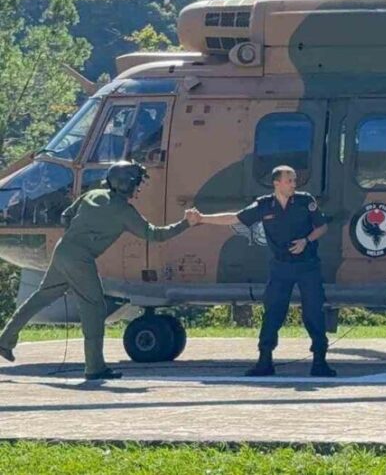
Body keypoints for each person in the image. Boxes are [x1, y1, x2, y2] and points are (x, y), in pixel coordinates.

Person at [0, 161, 196, 380]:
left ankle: (5, 340)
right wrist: (186, 223)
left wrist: (81, 234)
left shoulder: (92, 195)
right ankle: (94, 367)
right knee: (94, 309)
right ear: (126, 184)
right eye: (137, 184)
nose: (138, 189)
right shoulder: (124, 211)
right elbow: (155, 235)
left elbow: (66, 216)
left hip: (63, 250)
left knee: (41, 297)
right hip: (80, 259)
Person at [194, 165, 334, 377]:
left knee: (313, 311)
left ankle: (319, 362)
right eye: (290, 181)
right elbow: (235, 218)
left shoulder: (306, 202)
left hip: (308, 266)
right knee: (273, 312)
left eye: (295, 181)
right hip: (281, 267)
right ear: (276, 183)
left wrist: (306, 241)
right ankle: (265, 360)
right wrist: (203, 218)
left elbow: (322, 227)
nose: (294, 184)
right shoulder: (264, 205)